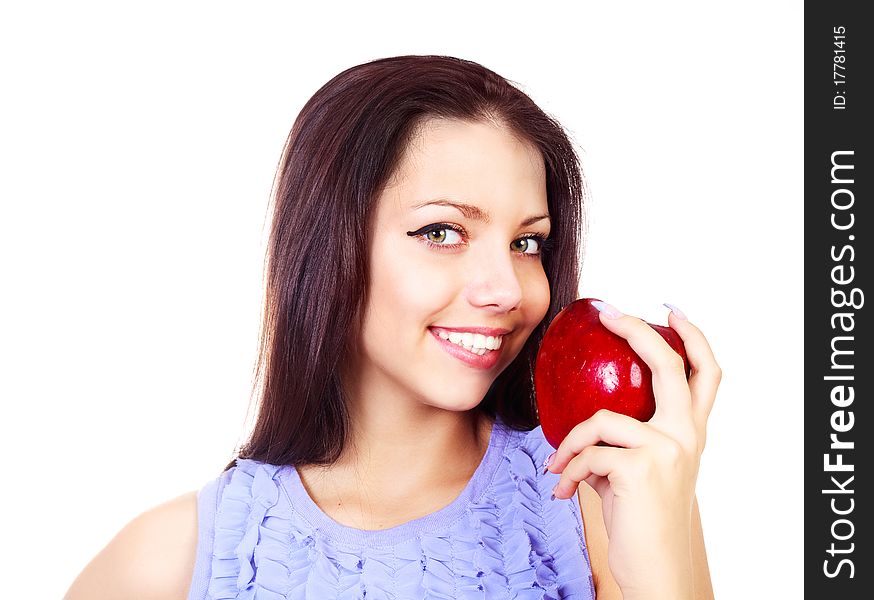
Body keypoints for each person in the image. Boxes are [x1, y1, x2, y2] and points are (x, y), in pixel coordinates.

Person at [65, 55, 721, 600]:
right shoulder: (163, 566)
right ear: (329, 246)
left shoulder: (605, 502)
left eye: (528, 243)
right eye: (443, 232)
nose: (504, 290)